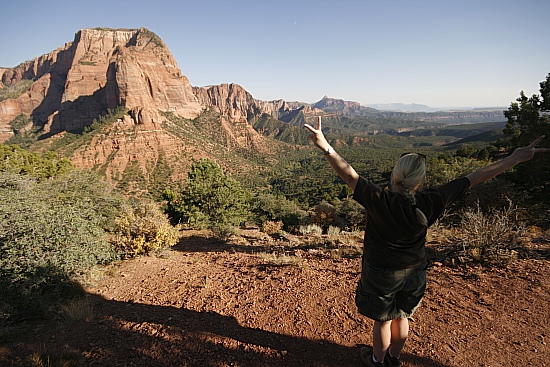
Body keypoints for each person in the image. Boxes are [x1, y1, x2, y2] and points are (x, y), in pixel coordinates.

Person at [304, 116, 549, 367]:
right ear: (420, 180)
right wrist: (515, 159)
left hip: (381, 272)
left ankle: (377, 361)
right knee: (402, 316)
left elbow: (348, 173)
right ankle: (394, 358)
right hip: (415, 272)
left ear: (395, 174)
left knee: (383, 320)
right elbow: (476, 177)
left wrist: (325, 145)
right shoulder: (433, 200)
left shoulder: (380, 200)